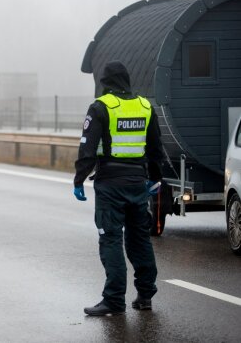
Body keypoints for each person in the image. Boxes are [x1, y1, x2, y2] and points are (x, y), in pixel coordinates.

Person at [73, 61, 164, 316]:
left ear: (106, 84)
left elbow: (87, 148)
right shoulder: (145, 106)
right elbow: (156, 149)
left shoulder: (101, 107)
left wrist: (79, 179)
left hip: (110, 185)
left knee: (111, 240)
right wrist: (154, 179)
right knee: (139, 240)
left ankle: (113, 300)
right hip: (138, 184)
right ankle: (145, 295)